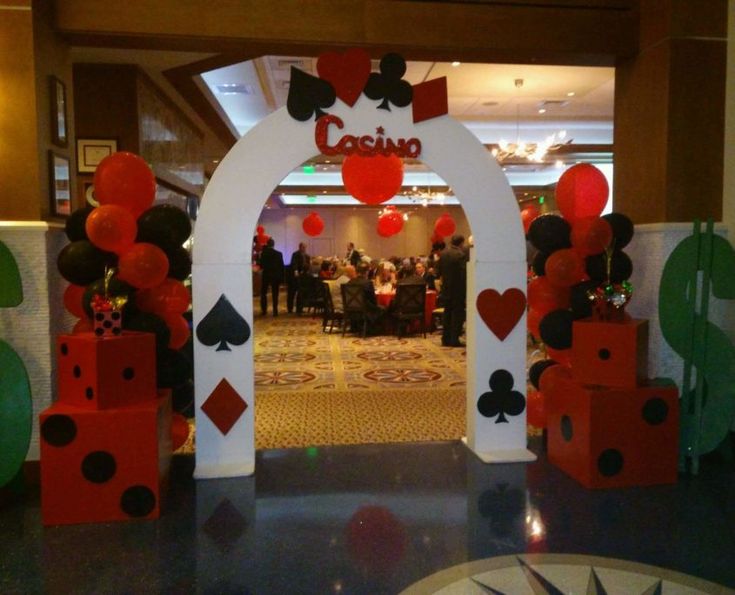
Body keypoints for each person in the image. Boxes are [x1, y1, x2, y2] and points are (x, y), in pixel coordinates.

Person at [436, 234, 468, 347]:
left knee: (447, 313)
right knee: (457, 314)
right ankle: (454, 339)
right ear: (461, 243)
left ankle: (445, 338)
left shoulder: (443, 254)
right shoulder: (461, 255)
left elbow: (437, 272)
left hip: (446, 289)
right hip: (458, 289)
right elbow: (463, 274)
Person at [346, 262, 386, 328]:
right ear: (367, 272)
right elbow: (373, 301)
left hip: (351, 311)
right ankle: (378, 329)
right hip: (366, 312)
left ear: (356, 271)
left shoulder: (349, 282)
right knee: (385, 308)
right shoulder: (367, 283)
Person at [258, 237, 284, 317]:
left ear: (267, 244)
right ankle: (275, 311)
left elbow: (261, 265)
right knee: (275, 294)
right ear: (273, 244)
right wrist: (281, 277)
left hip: (266, 275)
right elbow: (281, 266)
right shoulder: (279, 254)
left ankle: (264, 310)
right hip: (275, 276)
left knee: (263, 293)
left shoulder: (263, 253)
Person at [287, 242, 310, 314]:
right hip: (294, 277)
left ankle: (299, 309)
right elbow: (294, 264)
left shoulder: (307, 256)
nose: (304, 249)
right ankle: (290, 309)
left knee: (300, 294)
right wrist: (296, 271)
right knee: (292, 293)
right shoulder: (295, 254)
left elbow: (308, 266)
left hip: (303, 277)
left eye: (305, 247)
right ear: (299, 247)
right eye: (303, 247)